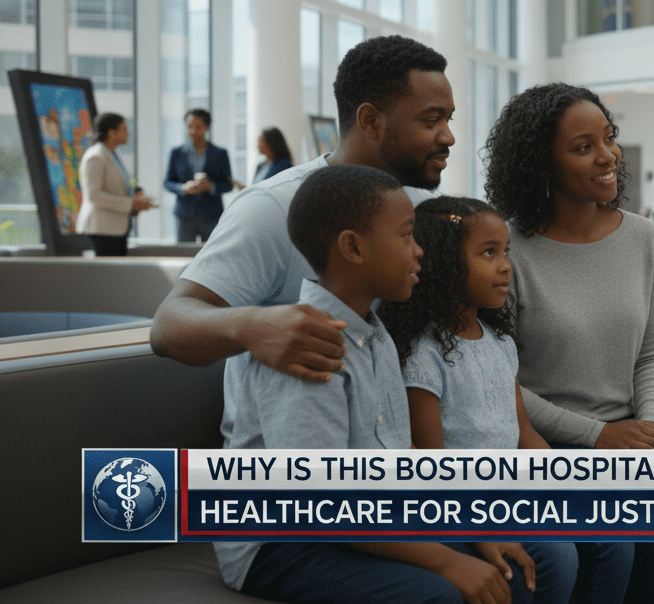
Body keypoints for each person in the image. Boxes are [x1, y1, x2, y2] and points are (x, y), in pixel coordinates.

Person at [217, 163, 575, 604]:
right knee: (439, 593)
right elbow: (323, 505)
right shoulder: (306, 346)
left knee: (539, 559)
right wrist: (448, 559)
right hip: (285, 541)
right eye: (406, 236)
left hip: (374, 514)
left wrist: (475, 531)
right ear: (353, 247)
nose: (420, 251)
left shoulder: (375, 335)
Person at [482, 83, 654, 604]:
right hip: (547, 440)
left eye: (609, 138)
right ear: (542, 165)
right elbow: (498, 384)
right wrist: (599, 436)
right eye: (583, 147)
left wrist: (652, 426)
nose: (608, 156)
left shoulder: (643, 236)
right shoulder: (507, 252)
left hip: (633, 432)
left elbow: (653, 352)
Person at [150, 34, 455, 390]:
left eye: (448, 119)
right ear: (370, 121)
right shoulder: (274, 207)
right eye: (431, 120)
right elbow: (168, 327)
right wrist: (253, 327)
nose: (448, 137)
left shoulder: (420, 209)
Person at [378, 196, 633, 604]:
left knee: (612, 536)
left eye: (506, 252)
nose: (504, 265)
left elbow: (524, 431)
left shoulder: (498, 342)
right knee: (557, 557)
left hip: (514, 488)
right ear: (444, 263)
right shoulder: (423, 356)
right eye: (488, 253)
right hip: (465, 503)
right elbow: (430, 463)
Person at [76, 112, 154, 256]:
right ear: (111, 133)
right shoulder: (96, 156)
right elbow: (94, 196)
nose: (128, 133)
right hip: (101, 230)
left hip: (115, 229)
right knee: (105, 277)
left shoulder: (112, 155)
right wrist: (130, 203)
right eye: (124, 129)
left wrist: (136, 200)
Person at [164, 109, 233, 242]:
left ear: (206, 127)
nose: (193, 131)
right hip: (184, 215)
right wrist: (183, 188)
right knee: (183, 256)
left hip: (211, 215)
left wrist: (210, 186)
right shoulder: (177, 152)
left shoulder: (220, 153)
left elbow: (228, 185)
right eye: (190, 127)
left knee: (213, 255)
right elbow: (167, 182)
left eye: (198, 127)